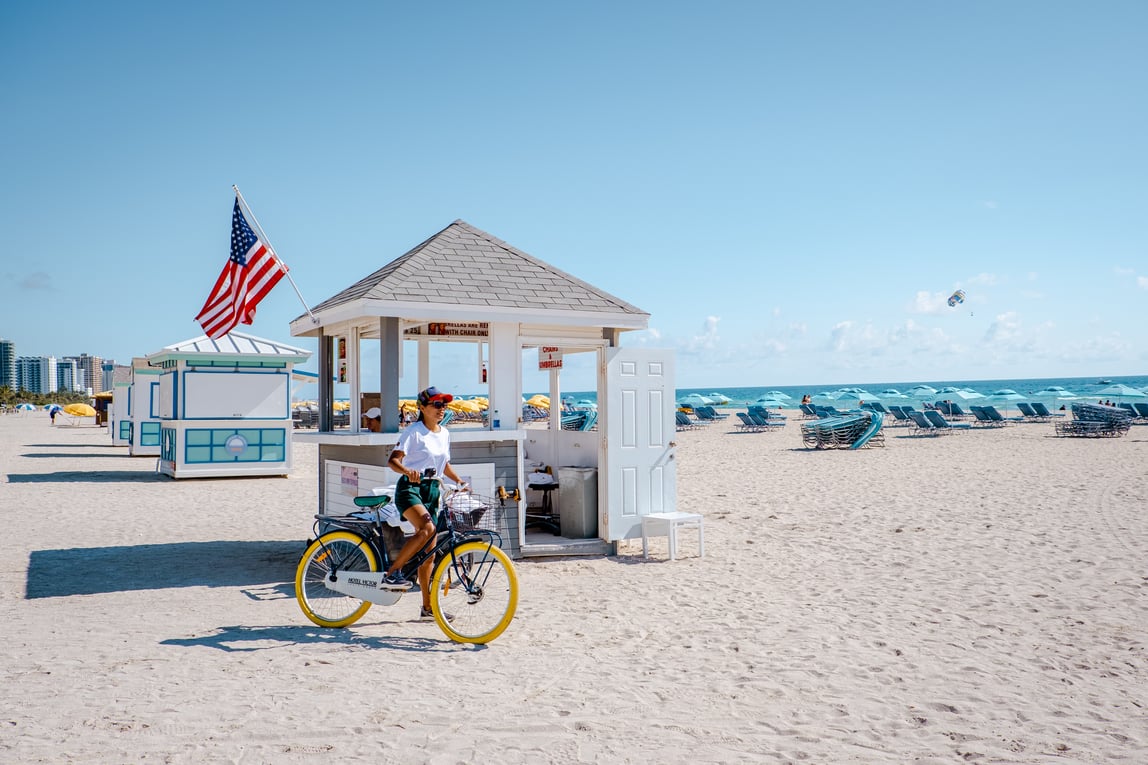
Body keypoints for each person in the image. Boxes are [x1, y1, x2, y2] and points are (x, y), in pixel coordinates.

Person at [380, 387, 469, 620]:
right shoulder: (414, 432)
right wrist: (408, 471)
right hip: (410, 489)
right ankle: (392, 572)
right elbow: (393, 460)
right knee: (427, 528)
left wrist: (459, 480)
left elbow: (444, 464)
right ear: (422, 408)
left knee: (429, 555)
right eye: (437, 405)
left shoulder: (445, 433)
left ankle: (427, 608)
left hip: (432, 491)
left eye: (444, 405)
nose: (442, 409)